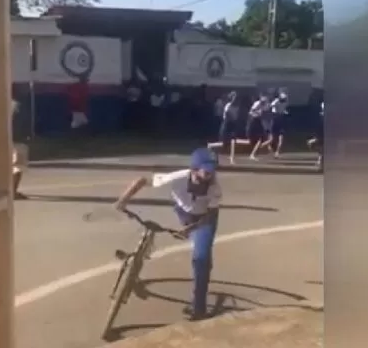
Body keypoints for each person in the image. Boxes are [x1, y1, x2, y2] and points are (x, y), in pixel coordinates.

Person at [114, 148, 222, 321]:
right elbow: (142, 180)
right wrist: (122, 201)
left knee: (201, 259)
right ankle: (136, 260)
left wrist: (190, 229)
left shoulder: (214, 187)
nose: (211, 174)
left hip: (204, 219)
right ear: (194, 168)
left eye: (213, 170)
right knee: (147, 224)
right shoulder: (177, 178)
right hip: (182, 212)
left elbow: (210, 214)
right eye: (206, 170)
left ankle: (198, 307)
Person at [208, 91, 239, 163]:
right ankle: (211, 146)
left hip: (232, 125)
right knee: (224, 144)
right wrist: (233, 118)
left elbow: (235, 116)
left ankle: (232, 158)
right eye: (234, 97)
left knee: (233, 141)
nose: (236, 98)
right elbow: (228, 115)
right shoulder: (228, 105)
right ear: (231, 98)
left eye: (236, 97)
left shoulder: (236, 106)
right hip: (227, 124)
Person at [248, 93, 273, 160]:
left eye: (265, 101)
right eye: (263, 101)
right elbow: (251, 112)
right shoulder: (257, 104)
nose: (264, 102)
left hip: (259, 121)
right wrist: (257, 113)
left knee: (262, 138)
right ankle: (253, 153)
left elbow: (266, 111)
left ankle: (254, 153)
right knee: (258, 138)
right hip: (254, 121)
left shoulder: (266, 105)